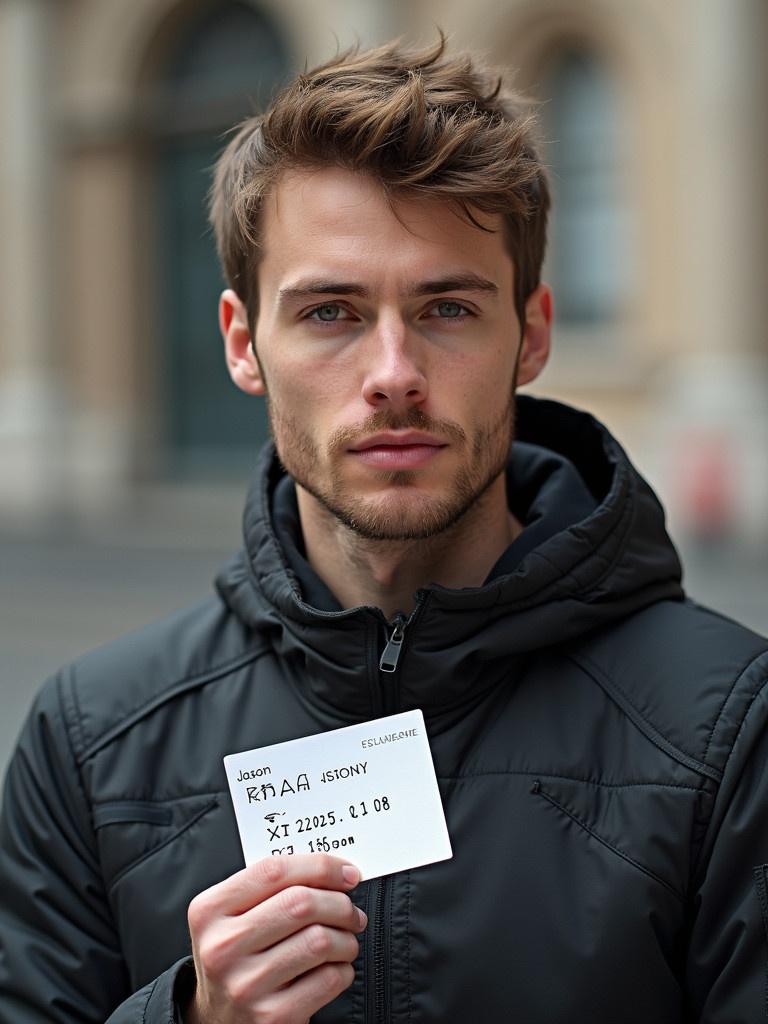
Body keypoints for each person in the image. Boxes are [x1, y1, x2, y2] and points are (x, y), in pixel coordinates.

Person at [1, 35, 767, 1024]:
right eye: (331, 313)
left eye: (447, 307)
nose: (393, 372)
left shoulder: (728, 728)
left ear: (531, 334)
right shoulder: (92, 741)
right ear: (243, 343)